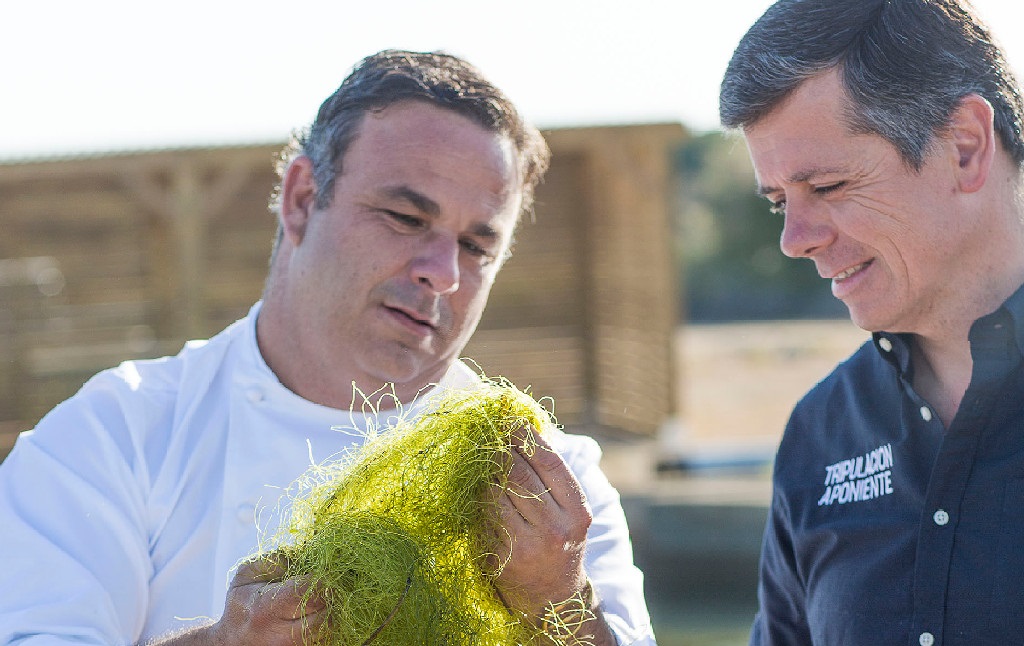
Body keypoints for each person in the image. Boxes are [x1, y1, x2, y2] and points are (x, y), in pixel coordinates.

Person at [0, 50, 655, 645]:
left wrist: (554, 602)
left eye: (476, 245)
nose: (443, 272)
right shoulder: (115, 437)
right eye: (406, 218)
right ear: (302, 198)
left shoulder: (549, 487)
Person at [718, 1, 1024, 644]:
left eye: (826, 186)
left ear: (964, 146)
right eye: (779, 203)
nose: (793, 240)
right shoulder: (820, 432)